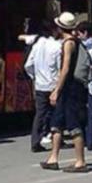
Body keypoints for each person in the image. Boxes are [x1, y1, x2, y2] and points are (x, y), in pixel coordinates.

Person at [42, 12, 89, 173]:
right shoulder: (72, 41)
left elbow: (66, 68)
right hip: (71, 87)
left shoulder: (69, 43)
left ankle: (80, 161)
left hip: (71, 87)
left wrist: (57, 89)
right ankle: (53, 158)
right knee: (57, 122)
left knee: (73, 122)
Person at [24, 20, 62, 152]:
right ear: (53, 31)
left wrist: (34, 76)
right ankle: (56, 139)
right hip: (53, 85)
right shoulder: (57, 46)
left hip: (40, 85)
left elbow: (28, 65)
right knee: (56, 114)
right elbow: (60, 67)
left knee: (40, 114)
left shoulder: (37, 46)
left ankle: (35, 141)